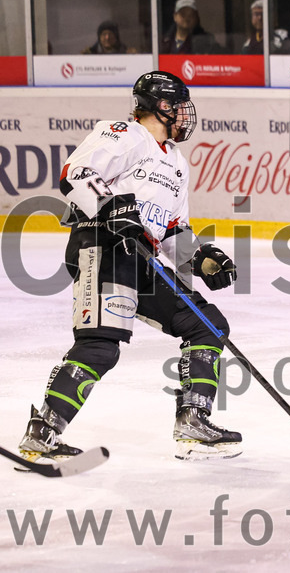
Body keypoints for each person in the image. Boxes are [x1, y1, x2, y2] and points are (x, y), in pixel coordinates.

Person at [18, 71, 242, 464]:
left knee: (207, 325)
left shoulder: (176, 163)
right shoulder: (123, 133)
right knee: (100, 346)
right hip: (101, 247)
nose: (185, 115)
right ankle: (44, 431)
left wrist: (200, 258)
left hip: (141, 257)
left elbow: (173, 230)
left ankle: (193, 420)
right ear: (163, 106)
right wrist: (110, 205)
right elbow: (75, 175)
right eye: (180, 106)